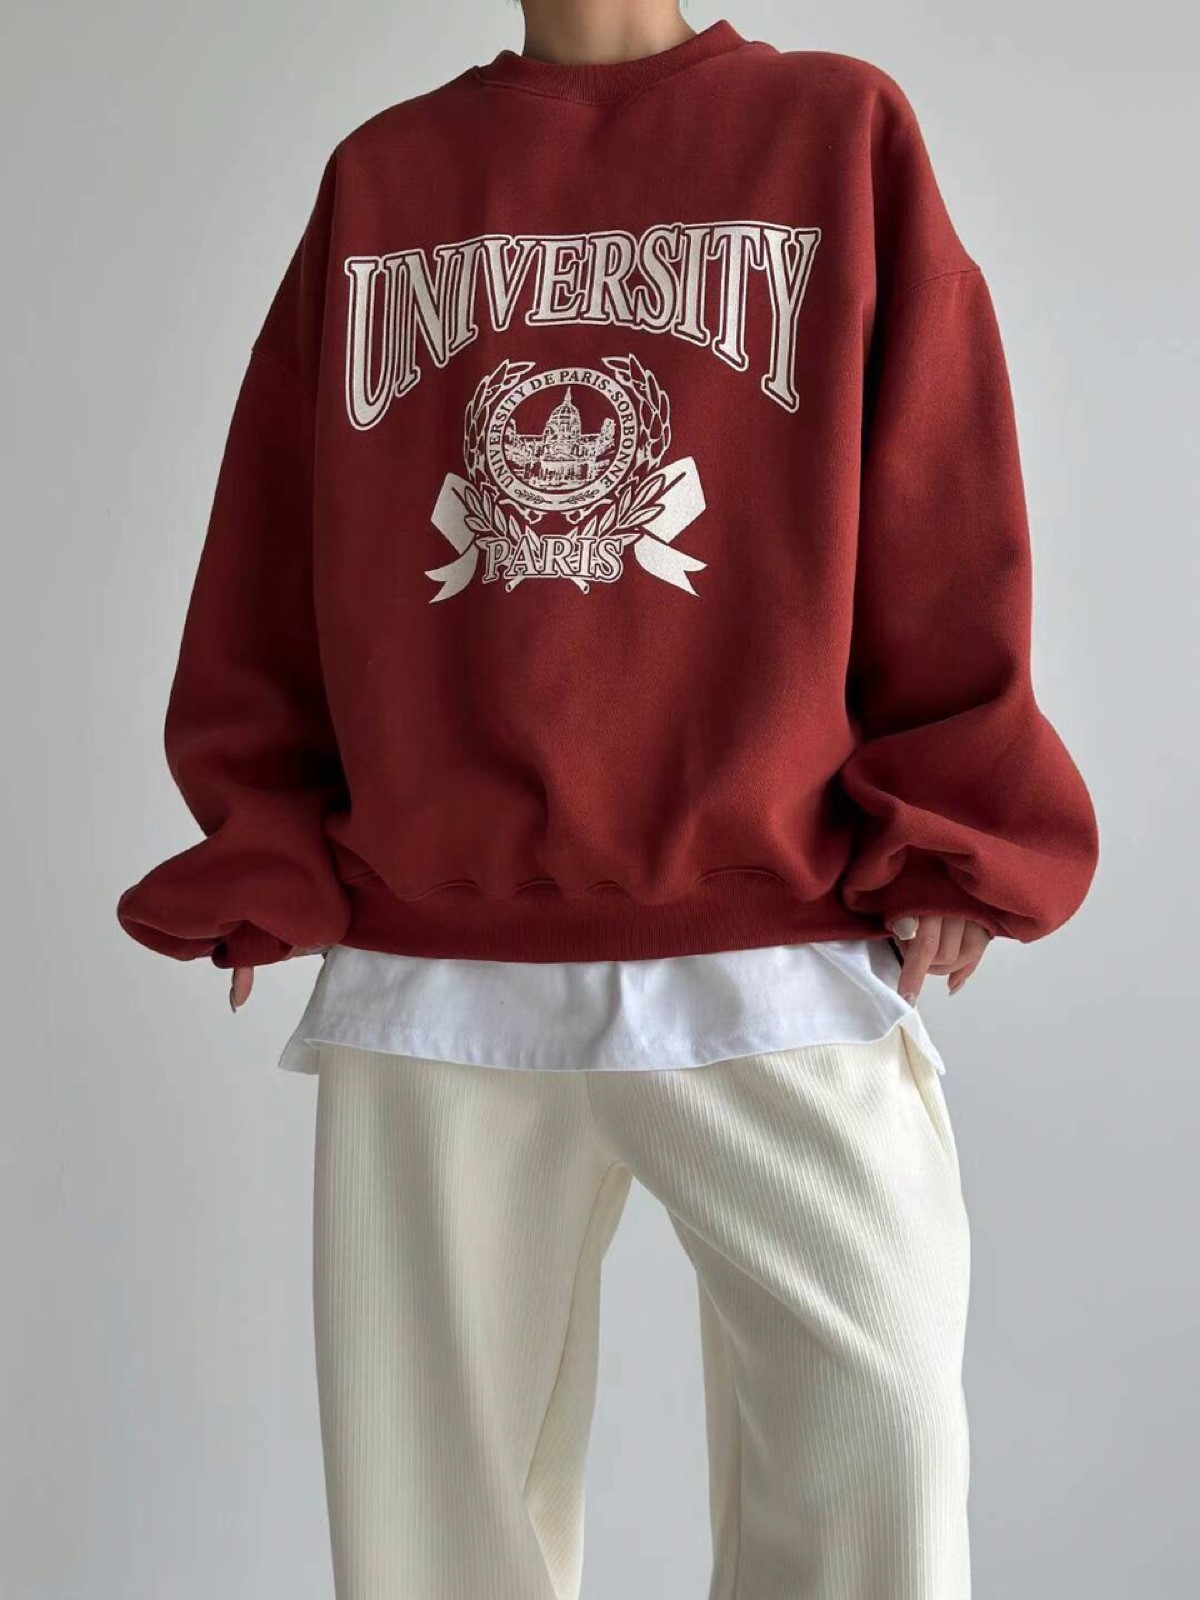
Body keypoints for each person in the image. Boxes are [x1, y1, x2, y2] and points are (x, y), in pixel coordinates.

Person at [116, 4, 1099, 1596]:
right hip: (440, 971)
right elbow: (280, 531)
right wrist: (263, 836)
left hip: (770, 940)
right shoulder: (388, 177)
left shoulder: (836, 134)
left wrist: (954, 818)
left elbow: (939, 483)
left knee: (881, 1463)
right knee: (434, 1543)